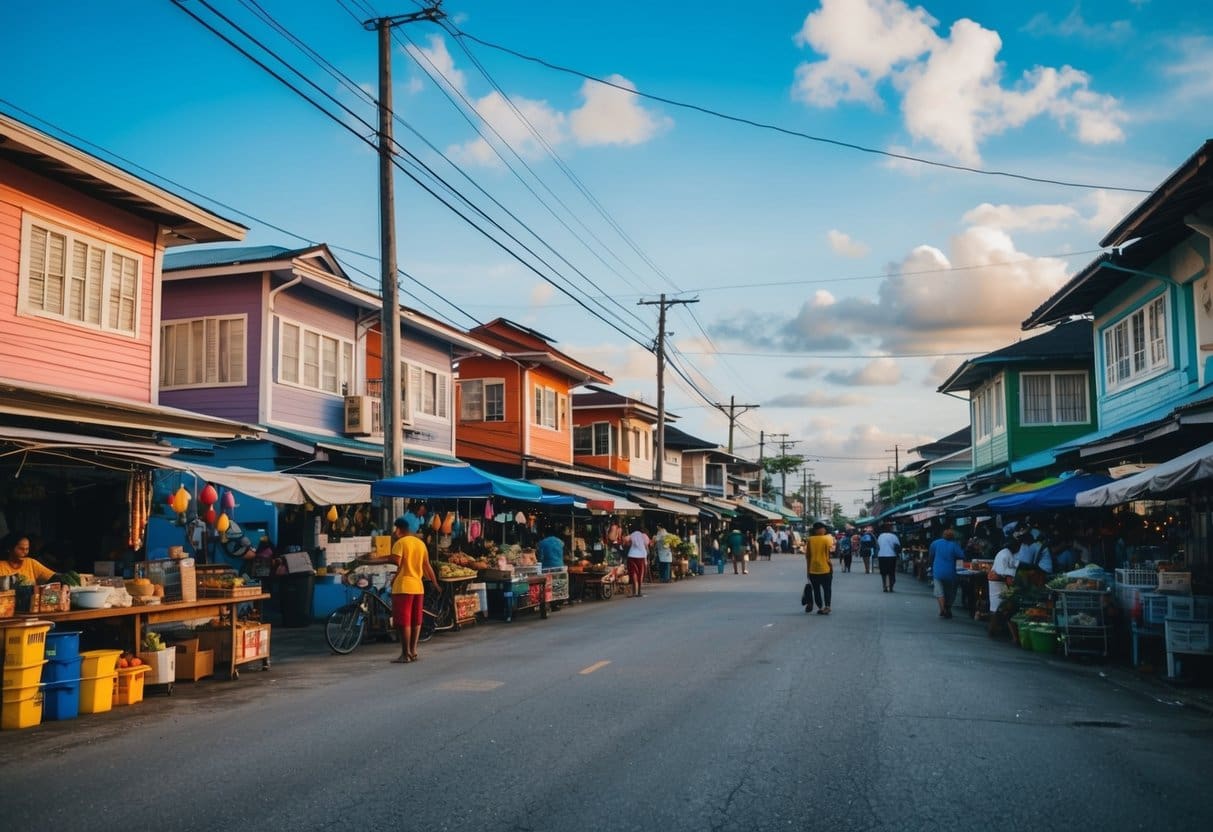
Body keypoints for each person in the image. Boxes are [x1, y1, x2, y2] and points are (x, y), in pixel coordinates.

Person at [359, 515, 438, 663]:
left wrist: (370, 560)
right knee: (416, 620)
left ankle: (405, 653)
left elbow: (394, 560)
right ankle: (413, 651)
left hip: (404, 586)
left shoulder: (401, 543)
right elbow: (427, 566)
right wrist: (435, 583)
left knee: (404, 622)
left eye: (395, 529)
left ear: (399, 530)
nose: (394, 533)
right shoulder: (420, 544)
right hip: (418, 586)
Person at [929, 528, 965, 619]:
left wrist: (931, 565)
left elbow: (931, 555)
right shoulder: (955, 545)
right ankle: (947, 608)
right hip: (951, 572)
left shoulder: (935, 543)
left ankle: (942, 609)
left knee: (939, 591)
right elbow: (961, 556)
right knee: (950, 591)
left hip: (937, 571)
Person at [804, 521, 834, 614]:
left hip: (813, 569)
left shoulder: (810, 539)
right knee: (827, 589)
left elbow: (808, 556)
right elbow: (829, 554)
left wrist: (808, 570)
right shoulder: (827, 538)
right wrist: (831, 566)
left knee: (816, 590)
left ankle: (820, 607)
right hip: (825, 568)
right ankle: (827, 606)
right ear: (820, 530)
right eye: (823, 528)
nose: (825, 529)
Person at [988, 535, 1022, 613]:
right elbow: (1009, 579)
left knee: (996, 607)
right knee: (999, 608)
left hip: (998, 583)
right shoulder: (1007, 555)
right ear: (1016, 547)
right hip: (999, 584)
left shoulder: (1005, 552)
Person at [625, 522, 650, 597]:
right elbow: (647, 545)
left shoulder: (631, 535)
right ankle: (639, 592)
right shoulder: (644, 536)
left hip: (631, 555)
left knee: (633, 574)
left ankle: (633, 592)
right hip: (641, 556)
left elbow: (626, 541)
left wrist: (630, 543)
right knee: (640, 574)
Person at [876, 523, 901, 592]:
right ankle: (891, 587)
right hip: (891, 556)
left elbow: (878, 546)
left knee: (883, 573)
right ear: (890, 529)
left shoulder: (880, 536)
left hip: (882, 555)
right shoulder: (894, 536)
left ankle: (884, 586)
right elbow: (898, 546)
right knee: (891, 572)